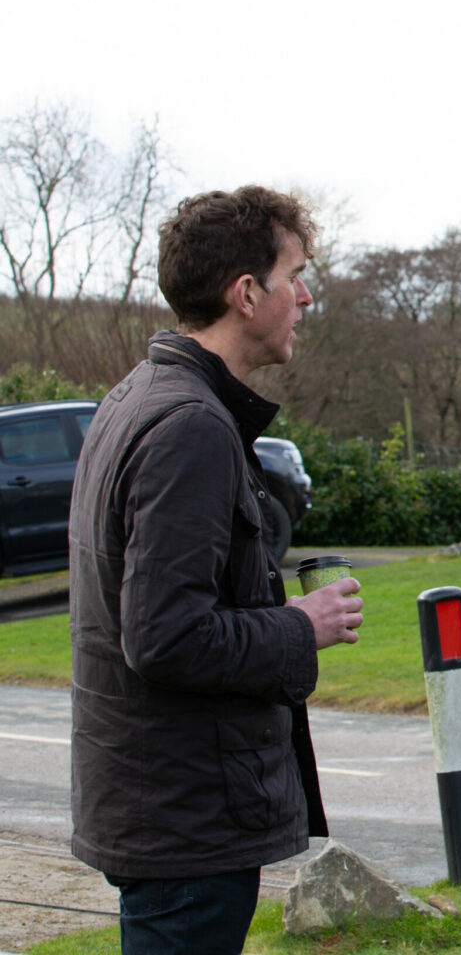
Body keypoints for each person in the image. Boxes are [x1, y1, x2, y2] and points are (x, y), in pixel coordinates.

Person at [69, 186, 365, 954]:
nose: (304, 296)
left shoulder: (138, 397)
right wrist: (301, 625)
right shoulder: (189, 425)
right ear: (245, 293)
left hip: (164, 808)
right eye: (295, 275)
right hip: (183, 819)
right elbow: (164, 637)